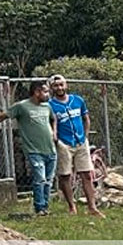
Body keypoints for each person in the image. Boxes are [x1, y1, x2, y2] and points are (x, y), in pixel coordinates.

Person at [0, 79, 57, 215]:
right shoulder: (22, 106)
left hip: (50, 150)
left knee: (48, 181)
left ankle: (46, 207)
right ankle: (40, 208)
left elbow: (53, 119)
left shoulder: (47, 106)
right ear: (37, 92)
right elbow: (1, 117)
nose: (48, 94)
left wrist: (55, 132)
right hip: (34, 150)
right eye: (45, 91)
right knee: (40, 179)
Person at [46, 75, 104, 217]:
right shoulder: (50, 105)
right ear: (52, 88)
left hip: (80, 142)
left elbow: (86, 119)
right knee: (65, 175)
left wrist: (85, 136)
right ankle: (72, 206)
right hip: (63, 143)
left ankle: (92, 207)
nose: (59, 88)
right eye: (56, 86)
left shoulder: (77, 100)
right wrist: (57, 140)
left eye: (61, 85)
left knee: (87, 174)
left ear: (66, 85)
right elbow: (50, 124)